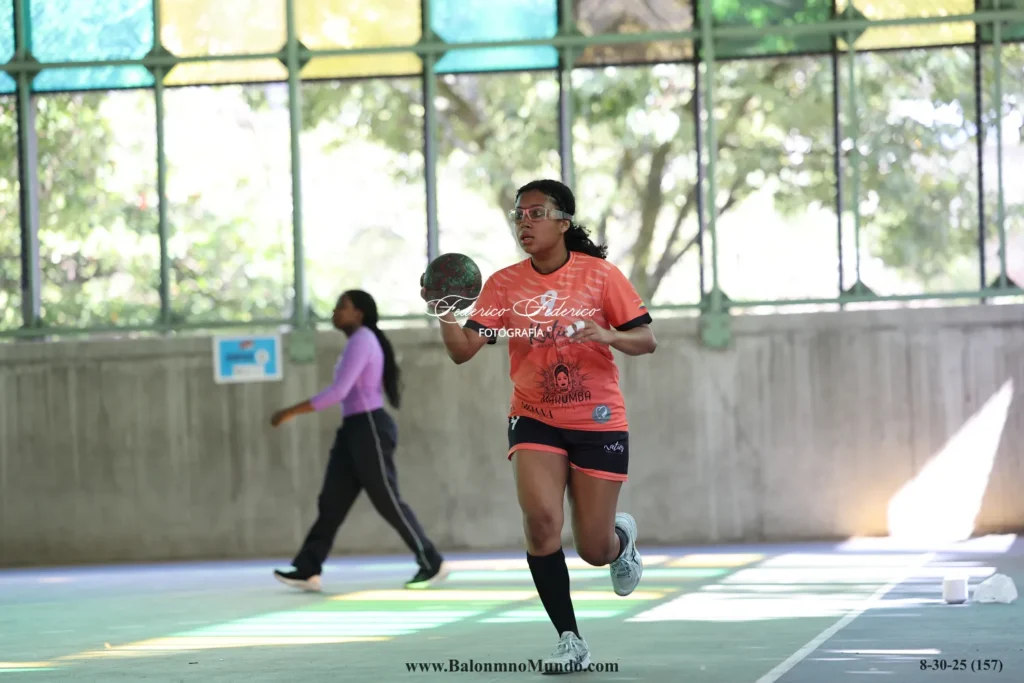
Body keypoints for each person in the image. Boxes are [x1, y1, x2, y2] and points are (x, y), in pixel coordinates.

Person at [422, 179, 656, 673]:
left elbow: (646, 339)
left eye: (535, 213)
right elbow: (463, 351)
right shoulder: (504, 284)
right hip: (533, 417)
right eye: (519, 215)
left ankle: (619, 541)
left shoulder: (600, 276)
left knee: (593, 550)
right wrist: (443, 310)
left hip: (597, 419)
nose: (524, 223)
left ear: (563, 222)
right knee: (542, 522)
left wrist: (607, 334)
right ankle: (570, 639)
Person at [270, 290, 445, 591]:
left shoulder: (363, 339)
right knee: (332, 501)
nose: (335, 312)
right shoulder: (356, 341)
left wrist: (290, 411)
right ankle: (308, 568)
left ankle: (431, 561)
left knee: (386, 498)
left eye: (342, 307)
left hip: (369, 428)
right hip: (352, 429)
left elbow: (338, 392)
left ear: (359, 314)